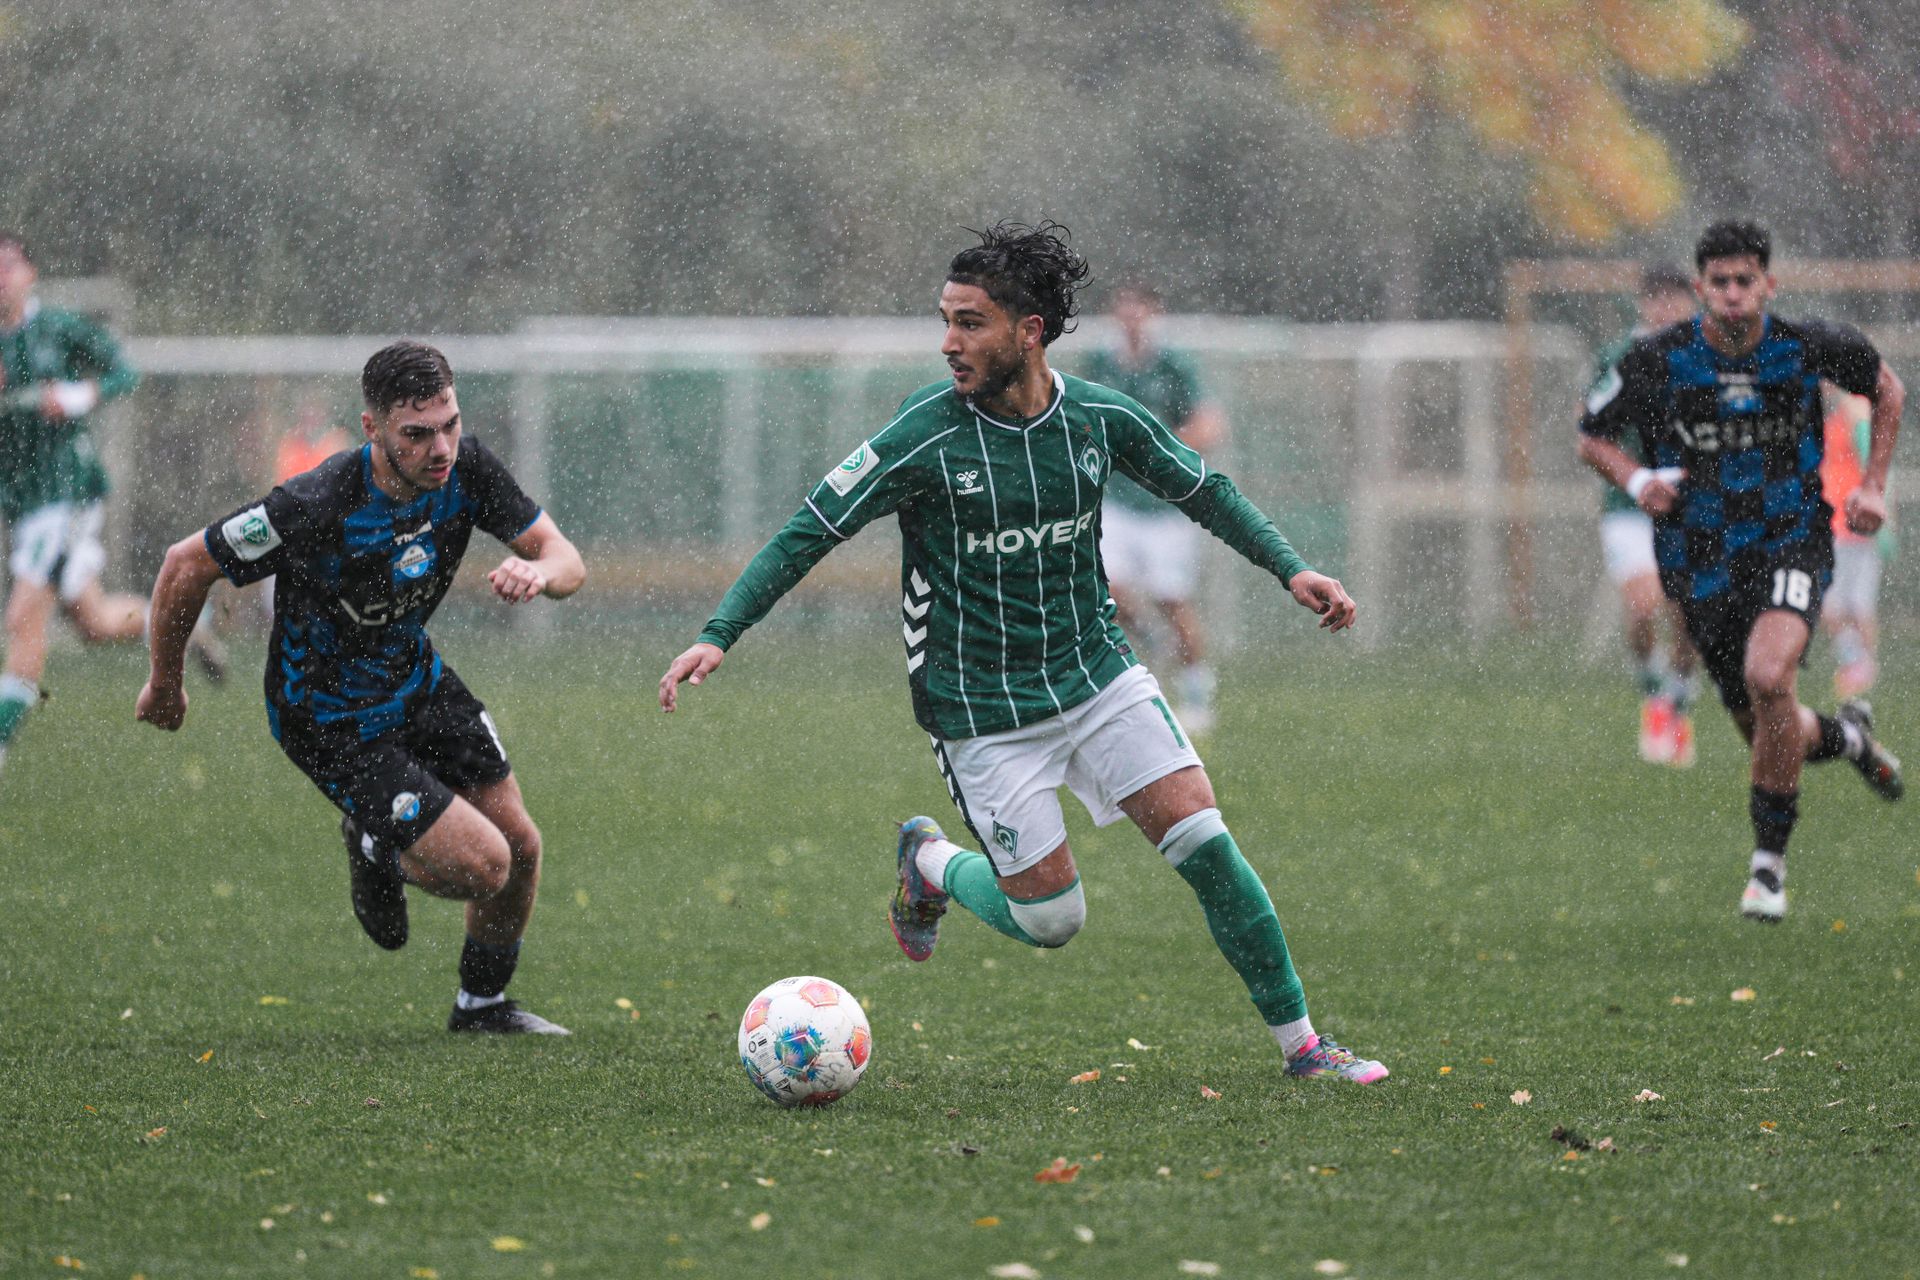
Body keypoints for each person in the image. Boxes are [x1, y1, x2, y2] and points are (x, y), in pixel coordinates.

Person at [660, 222, 1388, 1083]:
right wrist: (719, 633)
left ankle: (1303, 1047)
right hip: (979, 707)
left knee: (1207, 844)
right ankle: (929, 863)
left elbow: (1204, 489)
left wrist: (1290, 567)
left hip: (1094, 670)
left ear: (1029, 330)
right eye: (945, 320)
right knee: (1053, 921)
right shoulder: (922, 436)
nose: (948, 342)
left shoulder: (1098, 419)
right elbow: (807, 531)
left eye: (970, 323)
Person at [137, 341, 586, 1034]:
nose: (441, 448)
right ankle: (374, 843)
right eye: (418, 433)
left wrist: (541, 575)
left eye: (450, 424)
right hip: (328, 717)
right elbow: (185, 565)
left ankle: (481, 1008)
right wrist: (165, 682)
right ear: (372, 428)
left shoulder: (468, 468)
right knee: (485, 865)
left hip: (416, 679)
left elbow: (567, 559)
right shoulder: (316, 503)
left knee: (522, 846)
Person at [1578, 220, 1904, 923]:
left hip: (1790, 540)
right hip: (1701, 556)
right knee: (1769, 732)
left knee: (1768, 678)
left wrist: (1874, 484)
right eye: (1718, 282)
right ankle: (1847, 736)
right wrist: (1638, 484)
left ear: (1768, 285)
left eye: (1744, 281)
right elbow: (1592, 434)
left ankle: (1768, 870)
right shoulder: (1659, 358)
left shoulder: (1806, 345)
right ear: (1701, 289)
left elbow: (1887, 388)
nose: (1731, 294)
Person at [0, 231, 223, 778]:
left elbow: (125, 370)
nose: (1, 276)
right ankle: (184, 625)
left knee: (21, 617)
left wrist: (78, 395)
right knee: (93, 622)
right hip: (24, 503)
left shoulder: (57, 330)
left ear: (30, 273)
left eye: (9, 264)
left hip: (67, 494)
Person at [1081, 285, 1228, 733]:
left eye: (1139, 307)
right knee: (1105, 593)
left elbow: (1210, 424)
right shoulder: (1101, 365)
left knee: (1173, 599)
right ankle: (1149, 650)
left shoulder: (1173, 365)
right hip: (1118, 502)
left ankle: (1197, 692)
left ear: (1153, 313)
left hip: (1165, 505)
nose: (1131, 316)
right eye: (1123, 307)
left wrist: (1163, 452)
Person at [1588, 264, 1704, 766]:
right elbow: (1593, 431)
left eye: (1674, 299)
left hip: (1691, 505)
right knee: (1641, 605)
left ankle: (1676, 691)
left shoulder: (1707, 355)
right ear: (1642, 304)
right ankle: (1652, 686)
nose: (1665, 308)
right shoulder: (1620, 357)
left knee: (1687, 614)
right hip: (1629, 505)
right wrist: (1633, 476)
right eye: (1655, 299)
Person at [1818, 386, 1891, 698]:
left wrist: (1885, 521)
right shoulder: (1825, 415)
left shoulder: (1855, 408)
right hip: (1831, 525)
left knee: (1859, 605)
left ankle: (1865, 670)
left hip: (1857, 523)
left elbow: (1872, 459)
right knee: (1830, 605)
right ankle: (1854, 662)